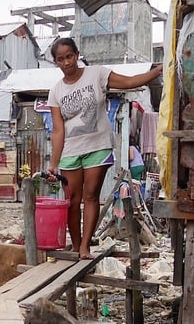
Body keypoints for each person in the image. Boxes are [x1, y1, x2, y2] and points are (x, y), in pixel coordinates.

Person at [45, 37, 162, 259]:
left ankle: (84, 247)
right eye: (60, 59)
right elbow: (58, 130)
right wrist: (53, 163)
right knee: (72, 201)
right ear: (56, 62)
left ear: (77, 55)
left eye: (69, 56)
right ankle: (76, 243)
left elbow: (128, 82)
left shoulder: (96, 74)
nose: (66, 62)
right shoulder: (56, 92)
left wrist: (155, 72)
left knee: (90, 196)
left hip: (97, 147)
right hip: (71, 151)